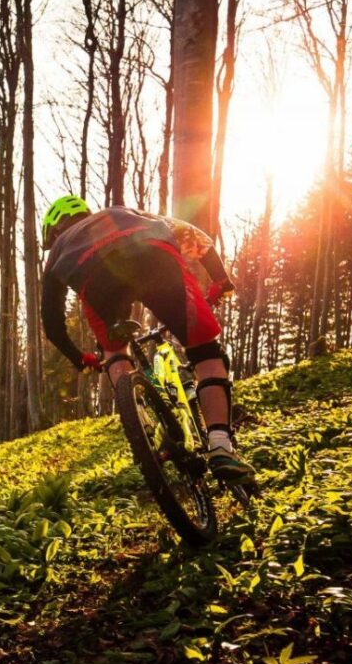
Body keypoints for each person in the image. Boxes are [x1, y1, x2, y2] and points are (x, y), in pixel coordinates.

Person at [37, 193, 254, 482]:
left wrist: (81, 359)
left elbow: (52, 325)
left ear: (54, 231)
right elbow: (195, 235)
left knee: (114, 353)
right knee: (205, 353)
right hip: (155, 258)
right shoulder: (121, 212)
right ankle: (220, 446)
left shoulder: (59, 251)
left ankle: (141, 426)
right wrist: (221, 279)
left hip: (96, 280)